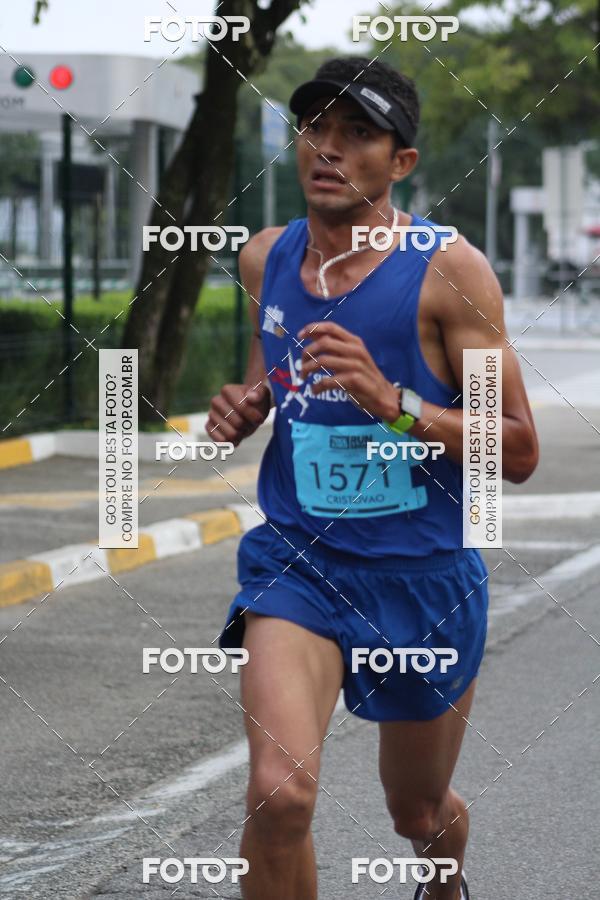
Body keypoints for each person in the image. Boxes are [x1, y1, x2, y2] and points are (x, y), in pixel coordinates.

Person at [207, 55, 538, 900]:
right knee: (279, 795)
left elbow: (517, 449)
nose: (329, 148)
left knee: (416, 810)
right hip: (299, 564)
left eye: (359, 133)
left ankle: (444, 880)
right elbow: (275, 375)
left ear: (402, 163)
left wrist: (394, 404)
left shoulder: (450, 272)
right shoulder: (265, 257)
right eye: (317, 128)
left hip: (422, 578)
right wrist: (248, 404)